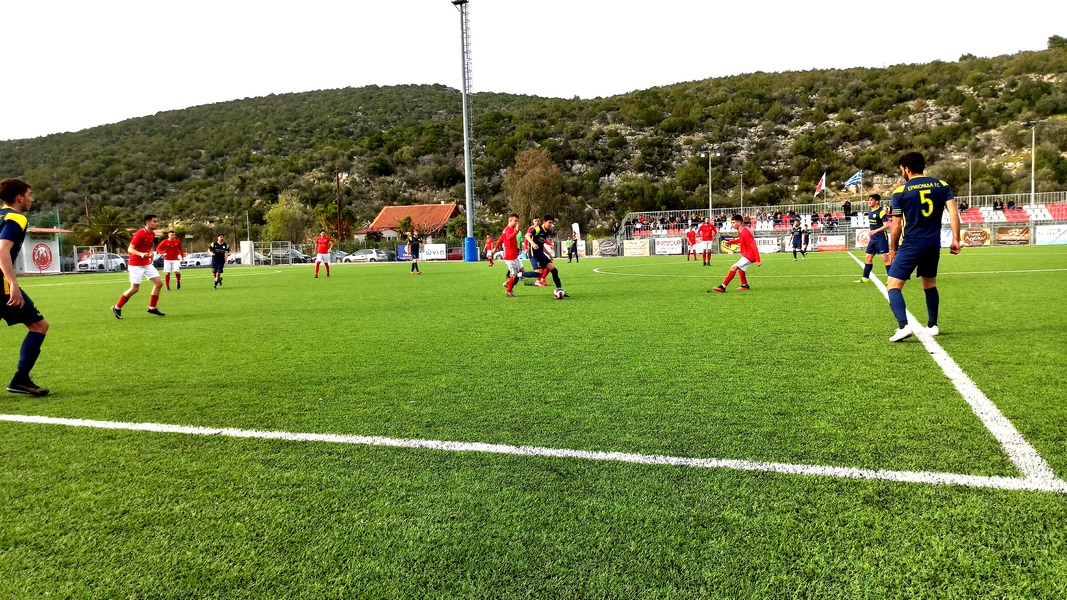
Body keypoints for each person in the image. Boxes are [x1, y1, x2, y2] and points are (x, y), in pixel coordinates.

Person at [885, 152, 960, 342]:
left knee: (893, 285)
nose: (901, 172)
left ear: (907, 169)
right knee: (929, 284)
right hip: (933, 244)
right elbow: (953, 212)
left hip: (911, 243)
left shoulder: (900, 191)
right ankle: (932, 325)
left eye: (901, 169)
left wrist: (893, 249)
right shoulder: (941, 186)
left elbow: (896, 225)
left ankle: (903, 326)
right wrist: (956, 239)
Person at [0, 179, 50, 396]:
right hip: (1, 285)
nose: (32, 198)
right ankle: (20, 380)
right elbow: (2, 251)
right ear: (19, 197)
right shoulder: (16, 217)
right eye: (29, 194)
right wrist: (13, 284)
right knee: (39, 326)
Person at [112, 214, 165, 318]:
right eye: (155, 221)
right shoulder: (140, 233)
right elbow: (130, 249)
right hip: (135, 264)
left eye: (157, 221)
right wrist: (141, 254)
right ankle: (117, 307)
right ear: (148, 222)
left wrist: (151, 253)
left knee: (158, 283)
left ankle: (152, 308)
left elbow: (148, 247)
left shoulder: (152, 234)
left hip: (146, 263)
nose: (157, 223)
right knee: (135, 289)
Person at [710, 215, 761, 292]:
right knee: (741, 269)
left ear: (739, 223)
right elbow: (741, 240)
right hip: (748, 254)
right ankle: (745, 285)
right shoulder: (741, 231)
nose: (732, 224)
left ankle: (723, 287)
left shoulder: (745, 232)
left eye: (733, 222)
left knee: (733, 268)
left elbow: (753, 245)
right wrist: (731, 242)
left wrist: (758, 259)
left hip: (750, 255)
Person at [855, 194, 892, 283]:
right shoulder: (870, 211)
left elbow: (886, 225)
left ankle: (891, 279)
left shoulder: (881, 212)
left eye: (871, 200)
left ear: (877, 201)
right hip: (873, 239)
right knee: (868, 258)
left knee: (885, 259)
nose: (869, 202)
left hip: (881, 238)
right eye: (869, 200)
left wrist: (876, 231)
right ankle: (865, 278)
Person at [526, 214, 564, 293]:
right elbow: (527, 235)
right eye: (549, 222)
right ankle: (519, 275)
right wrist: (533, 243)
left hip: (541, 254)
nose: (551, 224)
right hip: (534, 254)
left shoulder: (545, 232)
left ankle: (559, 289)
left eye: (552, 223)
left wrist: (549, 254)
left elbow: (542, 246)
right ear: (544, 222)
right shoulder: (538, 229)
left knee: (554, 270)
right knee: (538, 273)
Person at [493, 214, 524, 297]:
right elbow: (509, 237)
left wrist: (495, 247)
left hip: (514, 255)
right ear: (510, 220)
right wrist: (516, 231)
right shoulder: (509, 229)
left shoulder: (507, 229)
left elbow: (501, 239)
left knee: (522, 272)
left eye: (518, 221)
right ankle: (508, 290)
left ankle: (508, 283)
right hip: (510, 256)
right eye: (515, 221)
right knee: (515, 275)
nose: (517, 223)